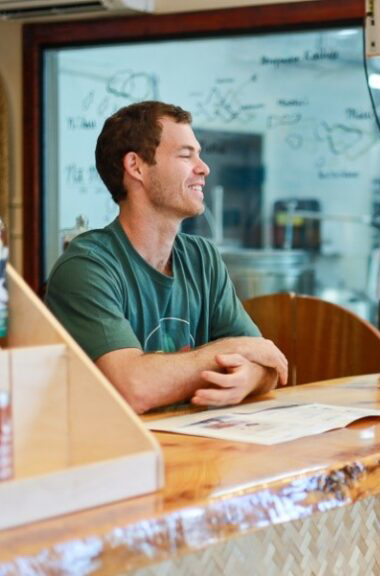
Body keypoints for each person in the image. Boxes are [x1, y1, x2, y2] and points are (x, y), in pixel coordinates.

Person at [47, 101, 287, 414]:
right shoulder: (86, 267)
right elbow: (133, 388)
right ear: (136, 167)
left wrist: (249, 379)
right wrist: (232, 348)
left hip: (196, 451)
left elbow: (267, 364)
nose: (204, 168)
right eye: (186, 155)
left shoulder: (203, 258)